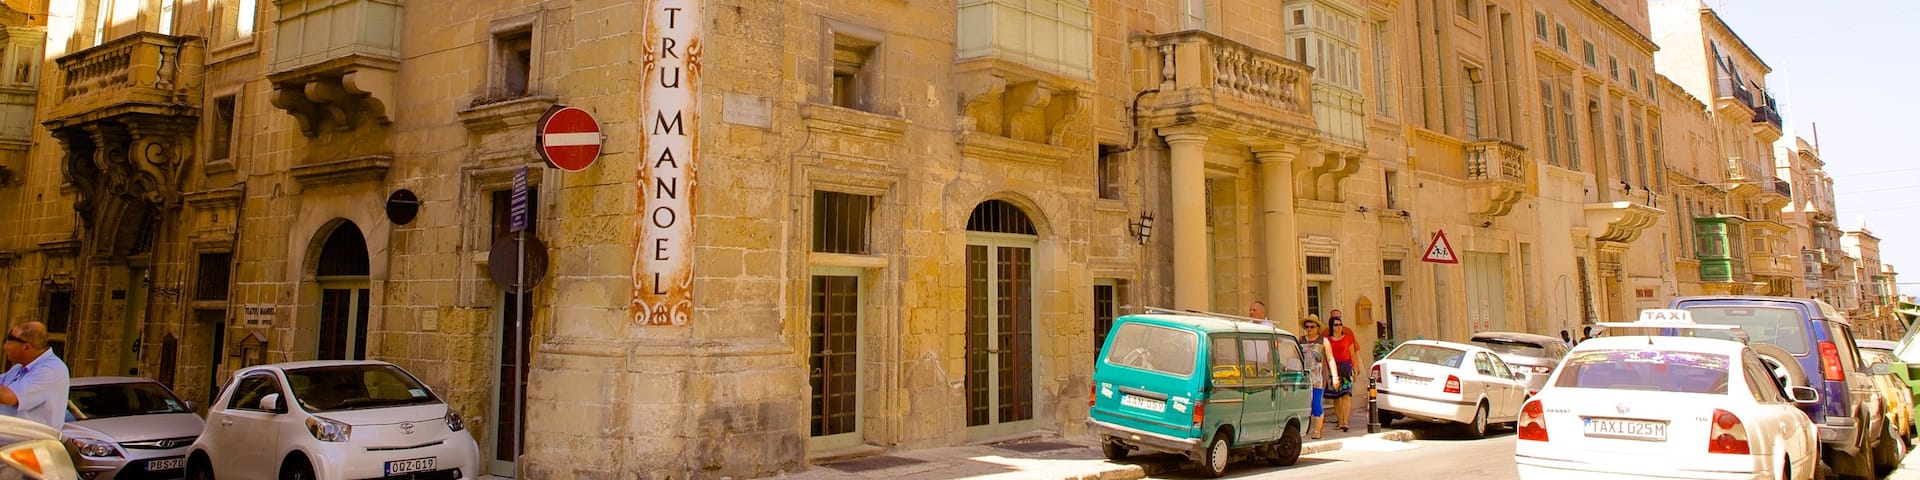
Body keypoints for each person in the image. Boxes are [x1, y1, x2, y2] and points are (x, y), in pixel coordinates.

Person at [0, 322, 70, 430]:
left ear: (26, 347)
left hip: (30, 439)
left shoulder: (52, 369)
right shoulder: (19, 368)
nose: (4, 347)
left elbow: (8, 397)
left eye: (9, 340)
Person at [1299, 316, 1338, 439]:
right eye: (1307, 327)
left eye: (1312, 327)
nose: (1309, 329)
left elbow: (1330, 358)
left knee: (1316, 403)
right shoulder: (1300, 340)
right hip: (1303, 378)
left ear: (1317, 328)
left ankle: (1317, 430)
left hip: (1318, 377)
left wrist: (1335, 376)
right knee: (1303, 404)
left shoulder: (1323, 341)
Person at [1325, 311, 1359, 432]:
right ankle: (1339, 421)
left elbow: (1353, 355)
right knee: (1336, 397)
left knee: (1346, 394)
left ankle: (1345, 422)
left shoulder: (1348, 338)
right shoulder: (1327, 340)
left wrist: (1355, 370)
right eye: (1336, 325)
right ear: (1331, 326)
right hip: (1333, 368)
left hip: (1346, 367)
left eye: (1340, 324)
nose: (1338, 327)